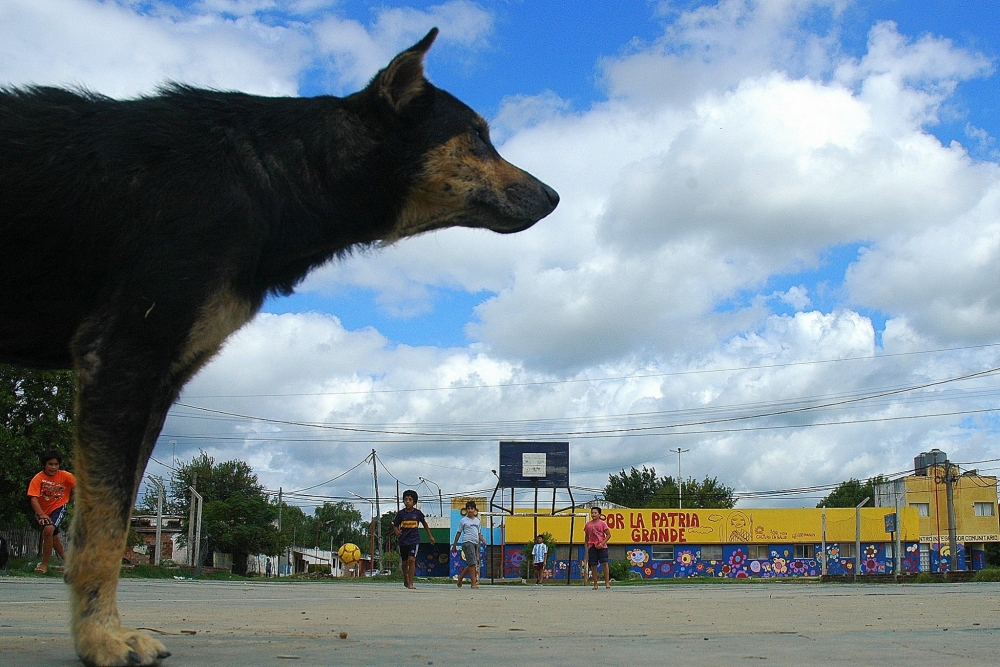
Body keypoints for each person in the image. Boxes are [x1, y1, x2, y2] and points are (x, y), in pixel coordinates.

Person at [27, 450, 76, 574]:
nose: (53, 467)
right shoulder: (38, 478)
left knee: (48, 530)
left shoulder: (65, 476)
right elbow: (33, 498)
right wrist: (41, 514)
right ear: (44, 465)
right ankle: (68, 563)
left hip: (58, 508)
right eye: (50, 464)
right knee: (54, 538)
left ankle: (44, 564)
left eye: (56, 464)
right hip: (43, 511)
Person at [392, 489, 435, 589]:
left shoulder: (418, 514)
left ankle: (411, 583)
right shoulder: (401, 514)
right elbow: (395, 525)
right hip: (403, 541)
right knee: (405, 562)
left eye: (410, 499)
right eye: (406, 499)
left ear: (414, 502)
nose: (408, 501)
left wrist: (430, 536)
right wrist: (397, 532)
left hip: (414, 540)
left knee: (412, 560)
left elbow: (425, 524)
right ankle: (405, 578)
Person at [452, 501, 487, 588]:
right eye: (468, 509)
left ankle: (460, 578)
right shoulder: (463, 521)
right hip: (467, 542)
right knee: (472, 563)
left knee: (472, 563)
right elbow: (458, 533)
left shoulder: (477, 521)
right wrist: (454, 545)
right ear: (466, 510)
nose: (470, 510)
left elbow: (479, 534)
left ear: (475, 510)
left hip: (476, 543)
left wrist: (483, 541)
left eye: (472, 508)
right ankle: (473, 583)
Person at [584, 506, 612, 589]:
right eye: (592, 513)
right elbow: (586, 536)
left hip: (602, 546)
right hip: (592, 546)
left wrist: (602, 543)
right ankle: (595, 584)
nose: (593, 514)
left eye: (595, 513)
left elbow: (608, 535)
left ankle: (607, 582)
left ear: (599, 514)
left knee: (604, 563)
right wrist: (587, 546)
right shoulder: (588, 525)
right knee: (593, 565)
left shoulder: (602, 523)